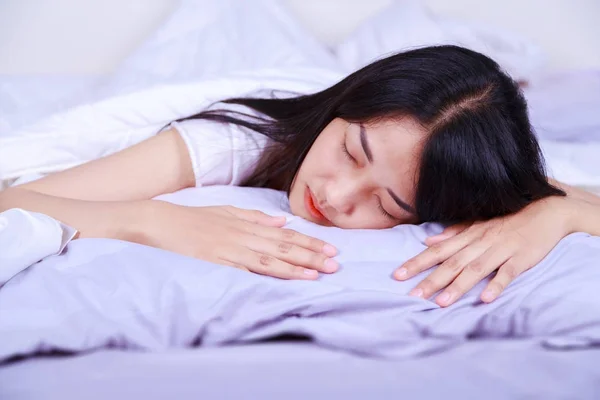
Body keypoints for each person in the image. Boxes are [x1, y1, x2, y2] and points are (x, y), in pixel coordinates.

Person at [1, 45, 599, 308]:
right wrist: (149, 219)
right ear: (345, 104)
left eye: (388, 207)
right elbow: (15, 198)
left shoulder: (465, 170)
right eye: (352, 150)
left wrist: (560, 211)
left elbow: (569, 188)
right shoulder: (232, 139)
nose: (335, 195)